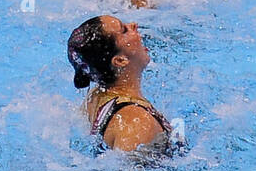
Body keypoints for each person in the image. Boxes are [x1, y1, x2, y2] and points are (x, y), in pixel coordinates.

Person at [67, 15, 180, 153]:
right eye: (124, 30)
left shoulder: (95, 97)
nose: (133, 24)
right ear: (120, 60)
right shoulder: (136, 122)